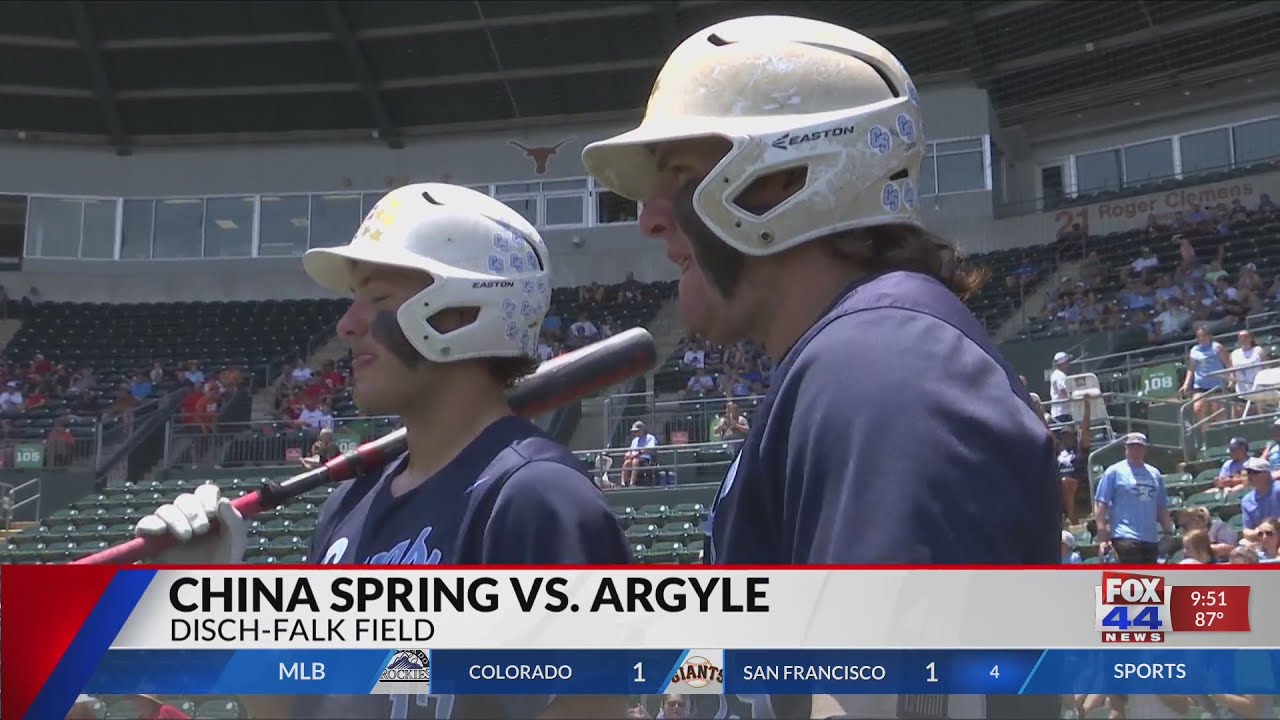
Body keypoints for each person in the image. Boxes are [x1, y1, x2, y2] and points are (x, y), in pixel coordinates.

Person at [582, 14, 1058, 720]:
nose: (650, 219)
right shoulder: (850, 362)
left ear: (790, 179)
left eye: (679, 175)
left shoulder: (885, 367)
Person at [134, 183, 629, 720]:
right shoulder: (348, 504)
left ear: (464, 312)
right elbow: (300, 707)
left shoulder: (538, 499)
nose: (346, 325)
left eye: (378, 298)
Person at [1094, 433, 1173, 564]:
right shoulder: (1114, 472)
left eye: (1139, 447)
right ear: (1126, 448)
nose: (1135, 451)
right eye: (1132, 447)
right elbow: (1101, 504)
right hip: (1124, 536)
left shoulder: (1155, 474)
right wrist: (1102, 534)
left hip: (1150, 538)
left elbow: (1161, 507)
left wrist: (1168, 531)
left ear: (1145, 450)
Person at [1180, 323, 1231, 424]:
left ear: (1209, 336)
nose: (1202, 338)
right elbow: (1191, 369)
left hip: (1217, 385)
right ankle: (1205, 432)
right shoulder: (1194, 350)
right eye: (1199, 336)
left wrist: (1231, 379)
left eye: (1204, 335)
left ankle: (1220, 430)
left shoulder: (1217, 347)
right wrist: (1186, 384)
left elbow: (1228, 364)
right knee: (1198, 408)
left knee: (1217, 411)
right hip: (1200, 386)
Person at [1056, 396, 1092, 524]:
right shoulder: (1059, 449)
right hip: (1059, 479)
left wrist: (1087, 407)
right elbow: (1046, 431)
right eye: (1064, 435)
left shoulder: (1080, 449)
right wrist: (1039, 410)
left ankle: (1071, 517)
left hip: (1077, 479)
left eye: (1069, 435)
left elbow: (1085, 428)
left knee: (1067, 483)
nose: (1066, 438)